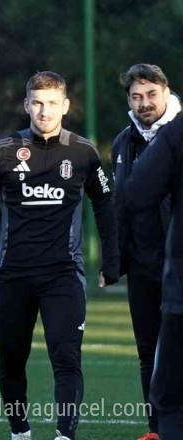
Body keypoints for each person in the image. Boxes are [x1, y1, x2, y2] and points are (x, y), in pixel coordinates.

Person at [0, 71, 119, 440]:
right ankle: (21, 433)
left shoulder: (82, 151)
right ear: (26, 105)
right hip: (12, 274)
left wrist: (112, 260)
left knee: (66, 359)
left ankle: (65, 435)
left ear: (65, 106)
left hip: (63, 274)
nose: (44, 111)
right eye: (37, 103)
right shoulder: (3, 150)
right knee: (12, 360)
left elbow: (105, 203)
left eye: (51, 103)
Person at [111, 64, 180, 440]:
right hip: (142, 265)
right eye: (136, 97)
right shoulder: (124, 142)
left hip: (179, 264)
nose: (145, 103)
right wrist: (115, 259)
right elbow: (120, 204)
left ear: (166, 92)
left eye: (151, 94)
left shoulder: (179, 135)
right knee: (148, 351)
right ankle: (155, 430)